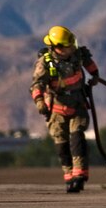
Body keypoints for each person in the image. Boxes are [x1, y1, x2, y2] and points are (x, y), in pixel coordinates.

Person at [30, 26, 100, 193]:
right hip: (56, 108)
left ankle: (80, 175)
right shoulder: (44, 64)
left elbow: (89, 62)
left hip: (78, 103)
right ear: (58, 48)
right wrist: (39, 102)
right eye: (68, 46)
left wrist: (95, 75)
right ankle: (69, 177)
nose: (72, 48)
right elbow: (36, 85)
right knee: (62, 145)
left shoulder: (77, 54)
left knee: (77, 138)